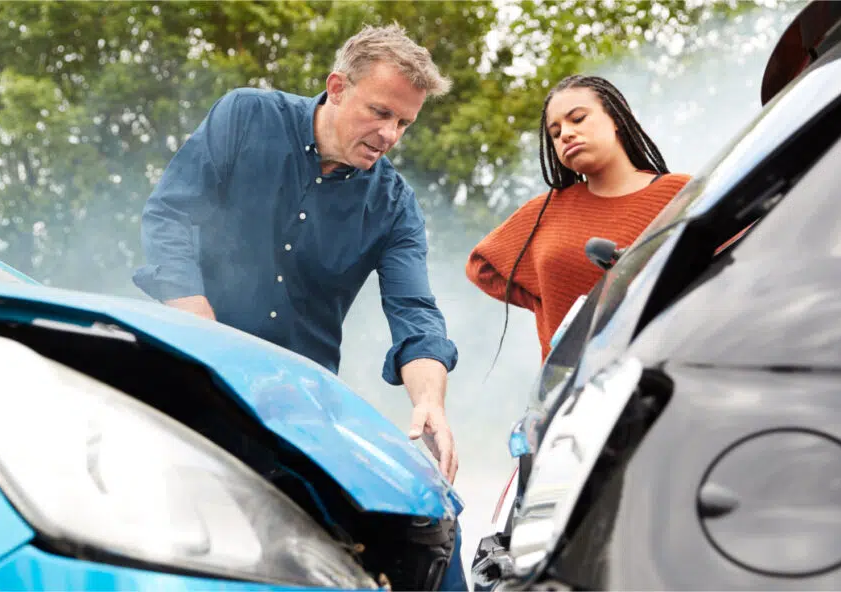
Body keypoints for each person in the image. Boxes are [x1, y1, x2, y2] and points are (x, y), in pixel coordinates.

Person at [132, 24, 467, 590]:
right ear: (337, 87)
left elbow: (415, 313)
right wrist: (202, 329)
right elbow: (169, 217)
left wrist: (430, 401)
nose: (390, 135)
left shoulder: (394, 206)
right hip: (184, 378)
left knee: (420, 532)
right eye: (380, 112)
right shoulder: (245, 117)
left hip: (289, 409)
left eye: (404, 123)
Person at [466, 75, 692, 362]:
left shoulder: (679, 193)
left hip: (665, 372)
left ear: (618, 117)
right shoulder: (546, 210)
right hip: (569, 391)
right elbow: (481, 266)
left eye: (578, 119)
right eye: (555, 132)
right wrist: (549, 301)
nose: (566, 135)